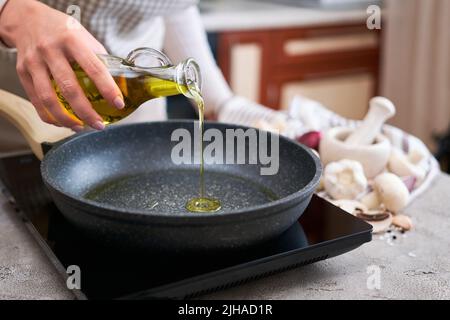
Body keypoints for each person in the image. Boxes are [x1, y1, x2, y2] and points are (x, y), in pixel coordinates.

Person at [0, 0, 294, 152]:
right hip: (22, 113)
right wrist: (13, 12)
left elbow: (173, 7)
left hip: (133, 106)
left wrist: (221, 102)